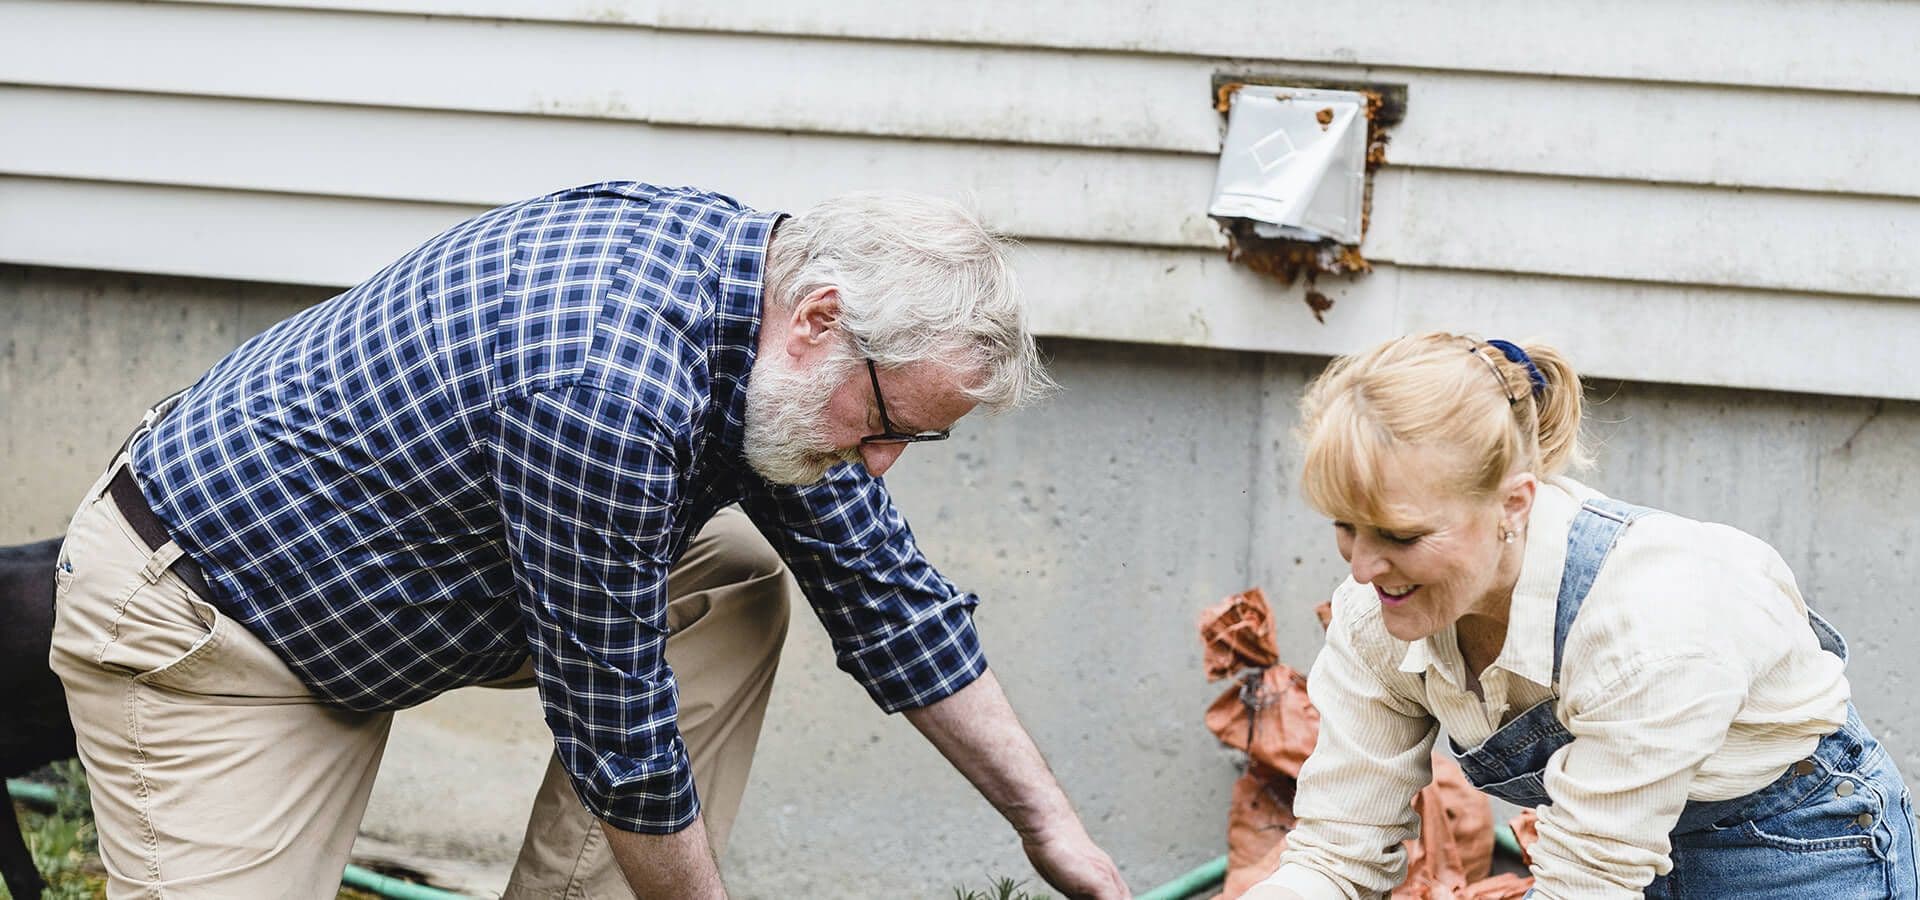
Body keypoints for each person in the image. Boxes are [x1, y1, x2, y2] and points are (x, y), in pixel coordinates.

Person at [49, 182, 1130, 899]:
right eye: (891, 426)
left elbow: (885, 593)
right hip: (216, 623)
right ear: (820, 322)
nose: (885, 462)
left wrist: (1054, 834)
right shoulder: (606, 385)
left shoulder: (768, 323)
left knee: (735, 580)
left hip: (410, 577)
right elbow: (621, 732)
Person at [1248, 332, 1917, 898]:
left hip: (1798, 852)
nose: (1362, 569)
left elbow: (1585, 885)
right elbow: (1336, 853)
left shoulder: (1650, 624)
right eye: (1346, 527)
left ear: (1514, 504)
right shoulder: (1376, 618)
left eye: (1400, 536)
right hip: (1610, 858)